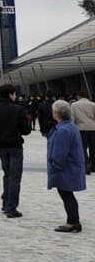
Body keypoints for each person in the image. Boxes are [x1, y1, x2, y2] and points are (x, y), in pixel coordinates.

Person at [0, 84, 31, 218]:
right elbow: (26, 130)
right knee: (15, 176)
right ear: (11, 94)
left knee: (7, 174)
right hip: (15, 146)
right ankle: (11, 207)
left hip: (1, 146)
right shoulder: (18, 109)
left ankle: (5, 203)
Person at [47, 100, 87, 233]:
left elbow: (60, 153)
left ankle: (73, 222)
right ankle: (73, 220)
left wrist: (55, 166)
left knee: (66, 194)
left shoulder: (62, 130)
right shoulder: (70, 126)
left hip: (66, 169)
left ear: (56, 114)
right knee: (67, 194)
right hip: (71, 167)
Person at [71, 91, 95, 175]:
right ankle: (93, 166)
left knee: (82, 147)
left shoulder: (74, 105)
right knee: (93, 148)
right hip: (92, 128)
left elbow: (72, 118)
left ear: (79, 96)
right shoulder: (93, 104)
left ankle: (86, 164)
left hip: (80, 128)